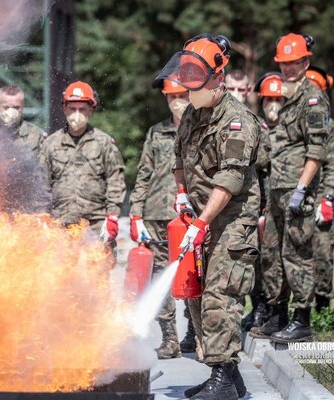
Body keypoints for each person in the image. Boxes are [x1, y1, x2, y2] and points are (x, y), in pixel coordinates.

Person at [154, 33, 260, 400]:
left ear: (218, 78)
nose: (188, 92)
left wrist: (202, 222)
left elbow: (230, 179)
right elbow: (178, 158)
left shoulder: (237, 121)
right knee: (195, 297)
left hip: (231, 218)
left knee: (220, 295)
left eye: (194, 84)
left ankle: (224, 382)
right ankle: (226, 373)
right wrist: (183, 195)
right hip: (200, 218)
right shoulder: (192, 115)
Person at [252, 33, 331, 343]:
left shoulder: (312, 98)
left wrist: (302, 189)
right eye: (283, 64)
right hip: (276, 189)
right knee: (272, 253)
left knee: (297, 254)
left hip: (298, 191)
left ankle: (302, 319)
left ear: (305, 62)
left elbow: (317, 150)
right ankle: (278, 313)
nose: (288, 69)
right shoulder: (286, 99)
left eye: (294, 63)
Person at [129, 79, 190, 359]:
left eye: (181, 95)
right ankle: (169, 339)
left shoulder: (200, 129)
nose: (176, 101)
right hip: (156, 214)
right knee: (158, 277)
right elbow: (143, 174)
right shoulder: (157, 133)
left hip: (190, 215)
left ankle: (196, 336)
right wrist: (136, 214)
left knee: (193, 274)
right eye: (171, 97)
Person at [39, 81, 126, 244]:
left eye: (82, 109)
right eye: (72, 109)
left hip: (95, 225)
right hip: (60, 226)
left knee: (98, 268)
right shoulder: (50, 144)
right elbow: (41, 184)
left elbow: (116, 181)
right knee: (61, 270)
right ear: (64, 108)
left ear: (91, 110)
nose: (76, 114)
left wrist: (112, 217)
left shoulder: (104, 143)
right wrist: (43, 217)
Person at [242, 72, 284, 332]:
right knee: (258, 260)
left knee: (275, 259)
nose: (272, 104)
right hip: (260, 204)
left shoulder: (291, 128)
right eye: (268, 98)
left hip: (278, 204)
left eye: (277, 98)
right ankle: (261, 308)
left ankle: (275, 310)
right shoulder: (255, 125)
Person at [305, 66, 334, 311]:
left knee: (321, 252)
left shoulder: (328, 126)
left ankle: (322, 305)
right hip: (296, 196)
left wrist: (327, 198)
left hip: (318, 197)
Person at [0, 85, 47, 158]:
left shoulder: (37, 135)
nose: (11, 112)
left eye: (16, 107)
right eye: (6, 107)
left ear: (23, 106)